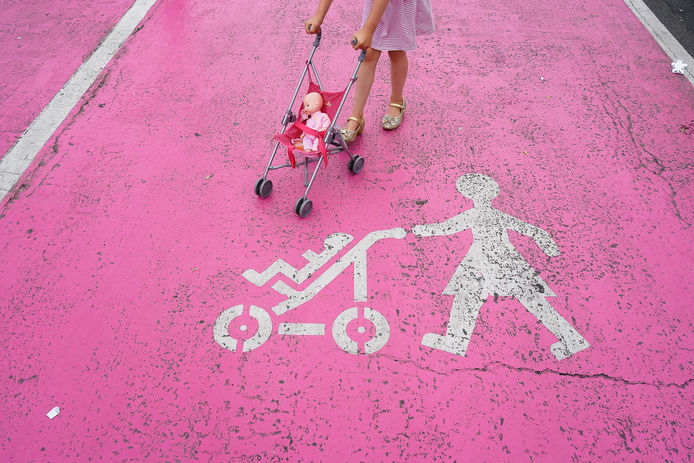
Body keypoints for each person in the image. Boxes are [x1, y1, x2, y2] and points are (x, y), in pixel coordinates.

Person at [412, 174, 590, 360]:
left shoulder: (475, 214)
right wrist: (546, 243)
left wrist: (421, 230)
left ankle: (455, 341)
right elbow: (529, 229)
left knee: (468, 295)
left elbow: (447, 227)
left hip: (484, 260)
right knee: (530, 299)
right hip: (506, 260)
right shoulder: (497, 214)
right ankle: (571, 339)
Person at [304, 0, 434, 142]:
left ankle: (397, 101)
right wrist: (319, 16)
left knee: (396, 50)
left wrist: (368, 30)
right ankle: (357, 116)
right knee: (369, 53)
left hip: (400, 5)